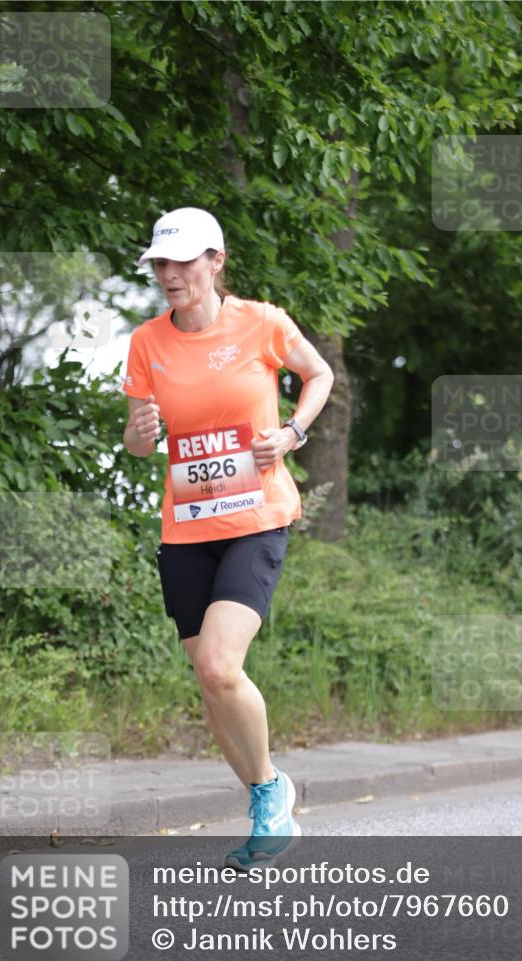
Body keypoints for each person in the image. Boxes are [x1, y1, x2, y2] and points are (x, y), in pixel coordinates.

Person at [121, 207, 334, 870]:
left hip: (257, 518)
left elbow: (319, 374)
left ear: (216, 260)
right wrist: (142, 433)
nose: (170, 274)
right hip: (185, 527)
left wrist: (292, 433)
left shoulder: (262, 322)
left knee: (219, 664)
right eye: (160, 263)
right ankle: (267, 799)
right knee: (209, 680)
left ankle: (268, 794)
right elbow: (135, 444)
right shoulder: (146, 343)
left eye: (183, 261)